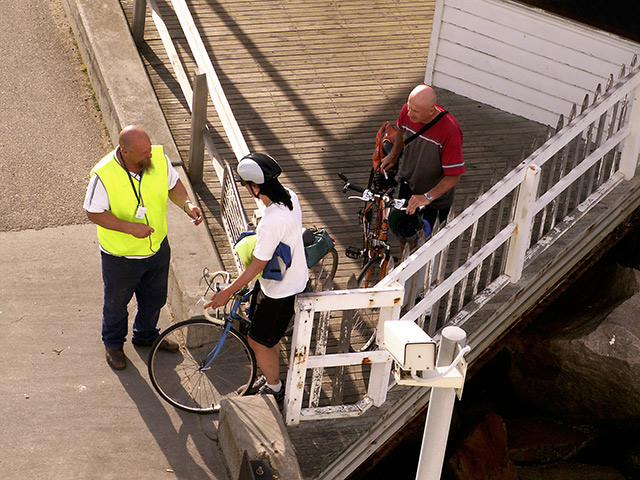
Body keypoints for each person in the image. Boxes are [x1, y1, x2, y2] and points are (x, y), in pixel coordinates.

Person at [84, 125, 203, 370]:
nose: (149, 155)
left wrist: (187, 205)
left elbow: (173, 185)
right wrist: (130, 228)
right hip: (121, 256)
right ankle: (114, 344)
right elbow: (93, 212)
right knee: (117, 303)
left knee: (155, 298)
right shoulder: (103, 173)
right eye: (143, 153)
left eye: (149, 149)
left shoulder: (157, 157)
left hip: (157, 247)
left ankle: (146, 335)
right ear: (124, 152)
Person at [204, 152, 308, 404]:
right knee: (268, 339)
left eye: (246, 185)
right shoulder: (290, 197)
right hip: (285, 281)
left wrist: (227, 292)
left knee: (257, 341)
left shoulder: (272, 221)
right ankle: (273, 376)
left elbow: (256, 265)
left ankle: (275, 388)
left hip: (280, 291)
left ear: (255, 186)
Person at [380, 84, 465, 237]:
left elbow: (454, 176)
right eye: (409, 106)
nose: (409, 113)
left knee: (429, 241)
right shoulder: (407, 111)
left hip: (434, 198)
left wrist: (428, 197)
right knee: (405, 233)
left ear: (431, 110)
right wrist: (393, 155)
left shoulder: (451, 132)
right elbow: (400, 131)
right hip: (408, 184)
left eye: (415, 111)